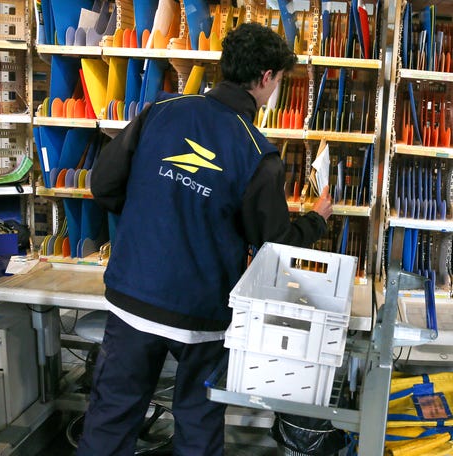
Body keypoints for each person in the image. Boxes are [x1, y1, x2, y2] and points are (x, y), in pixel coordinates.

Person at [77, 22, 333, 456]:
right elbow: (274, 246)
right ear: (267, 77)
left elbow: (103, 186)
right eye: (277, 82)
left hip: (133, 298)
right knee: (198, 423)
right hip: (201, 316)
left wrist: (154, 213)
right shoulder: (257, 152)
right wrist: (318, 220)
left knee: (111, 418)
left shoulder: (162, 110)